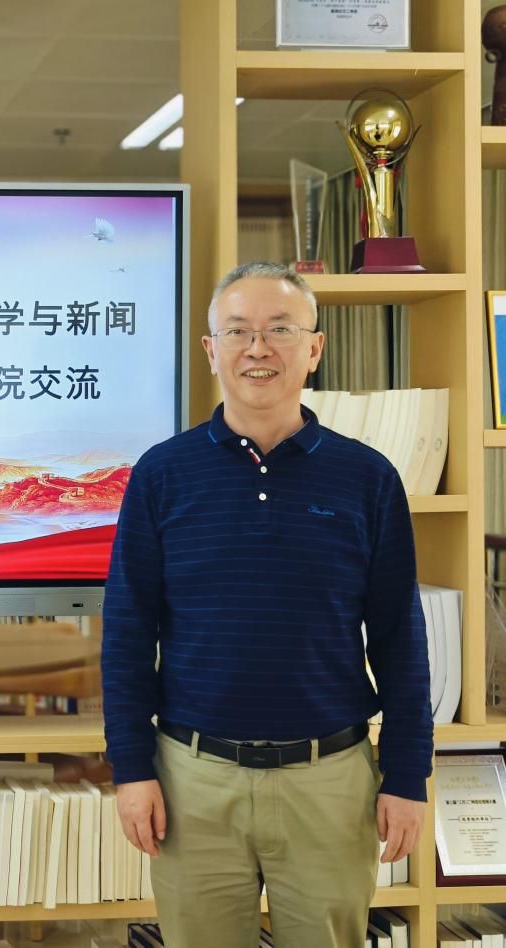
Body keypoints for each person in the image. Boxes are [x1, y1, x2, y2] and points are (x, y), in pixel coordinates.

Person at [101, 262, 433, 948]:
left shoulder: (367, 478)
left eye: (280, 330)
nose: (258, 348)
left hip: (329, 780)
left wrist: (408, 776)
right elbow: (128, 635)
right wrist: (131, 769)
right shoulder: (162, 475)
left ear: (314, 348)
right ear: (210, 349)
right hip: (192, 780)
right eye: (238, 331)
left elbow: (400, 639)